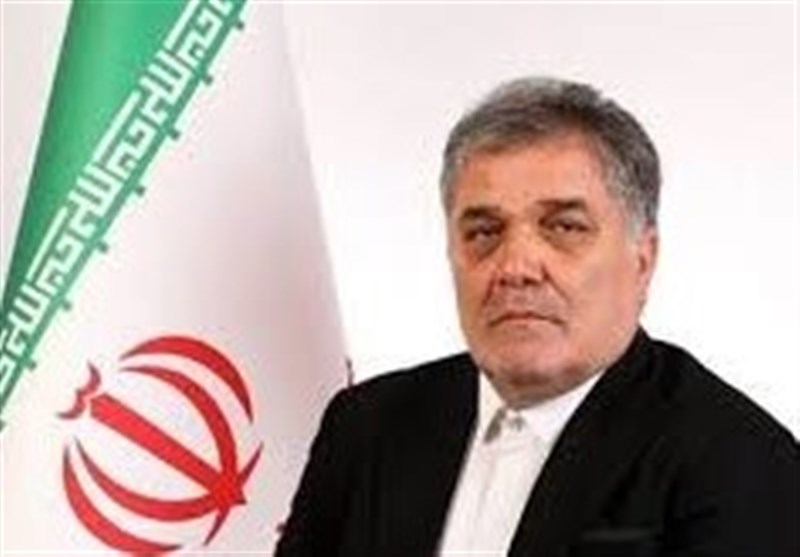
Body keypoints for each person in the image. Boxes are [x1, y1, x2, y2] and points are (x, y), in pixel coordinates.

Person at [275, 77, 799, 557]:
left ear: (642, 259)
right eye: (484, 232)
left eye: (564, 227)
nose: (516, 268)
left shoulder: (741, 462)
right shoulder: (366, 426)